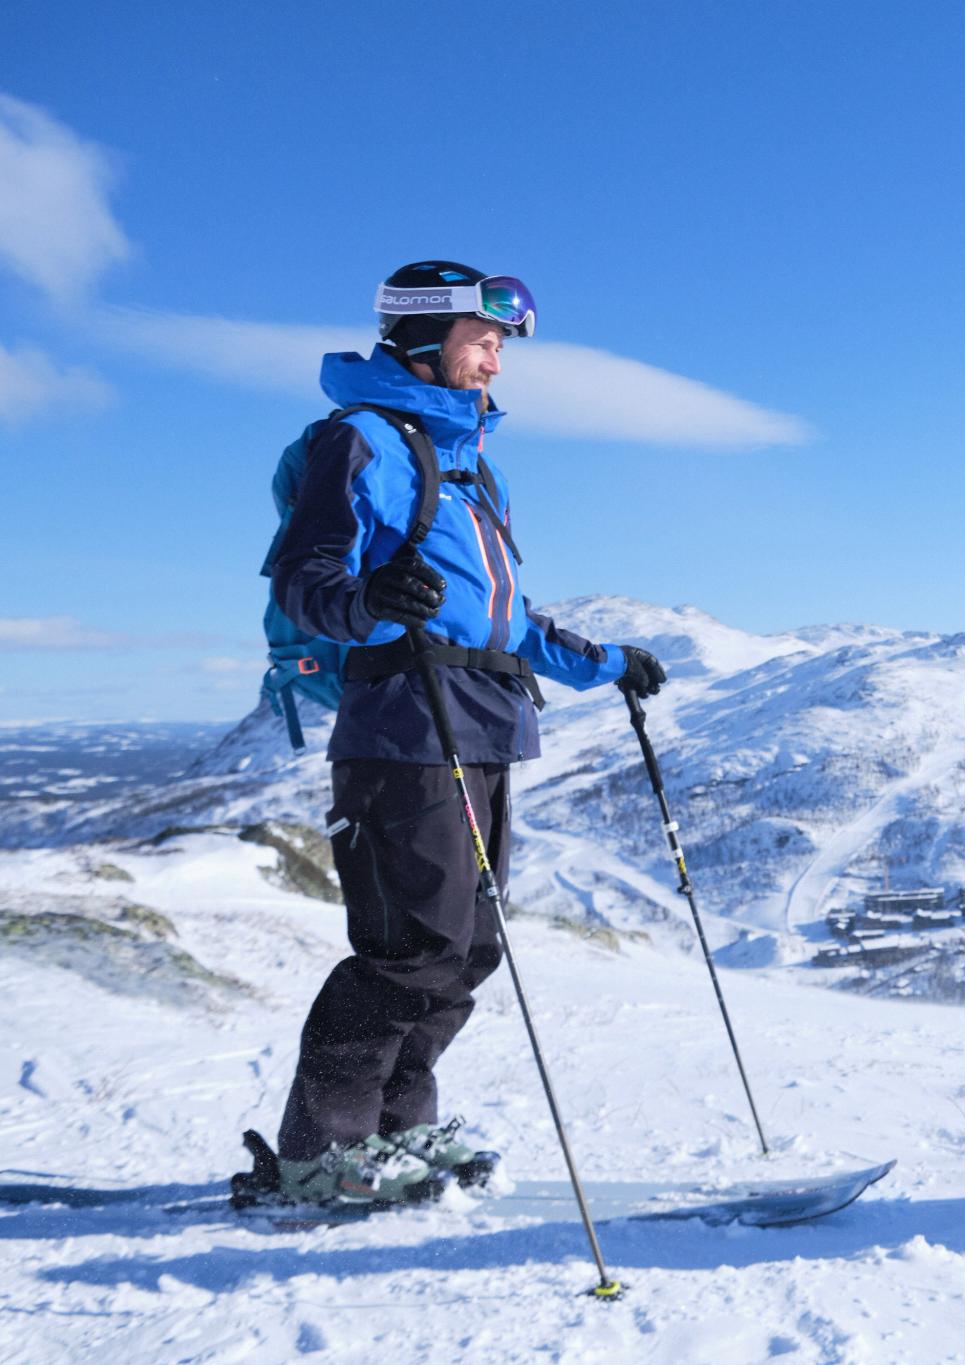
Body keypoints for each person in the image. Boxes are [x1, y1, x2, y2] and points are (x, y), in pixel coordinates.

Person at [266, 261, 668, 1203]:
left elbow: (509, 623)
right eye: (481, 341)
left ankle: (398, 1129)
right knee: (411, 948)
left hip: (484, 724)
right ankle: (320, 1152)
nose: (495, 361)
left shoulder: (471, 466)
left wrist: (611, 665)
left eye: (498, 346)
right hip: (403, 726)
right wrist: (367, 598)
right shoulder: (361, 440)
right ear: (421, 337)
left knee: (467, 949)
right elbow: (303, 576)